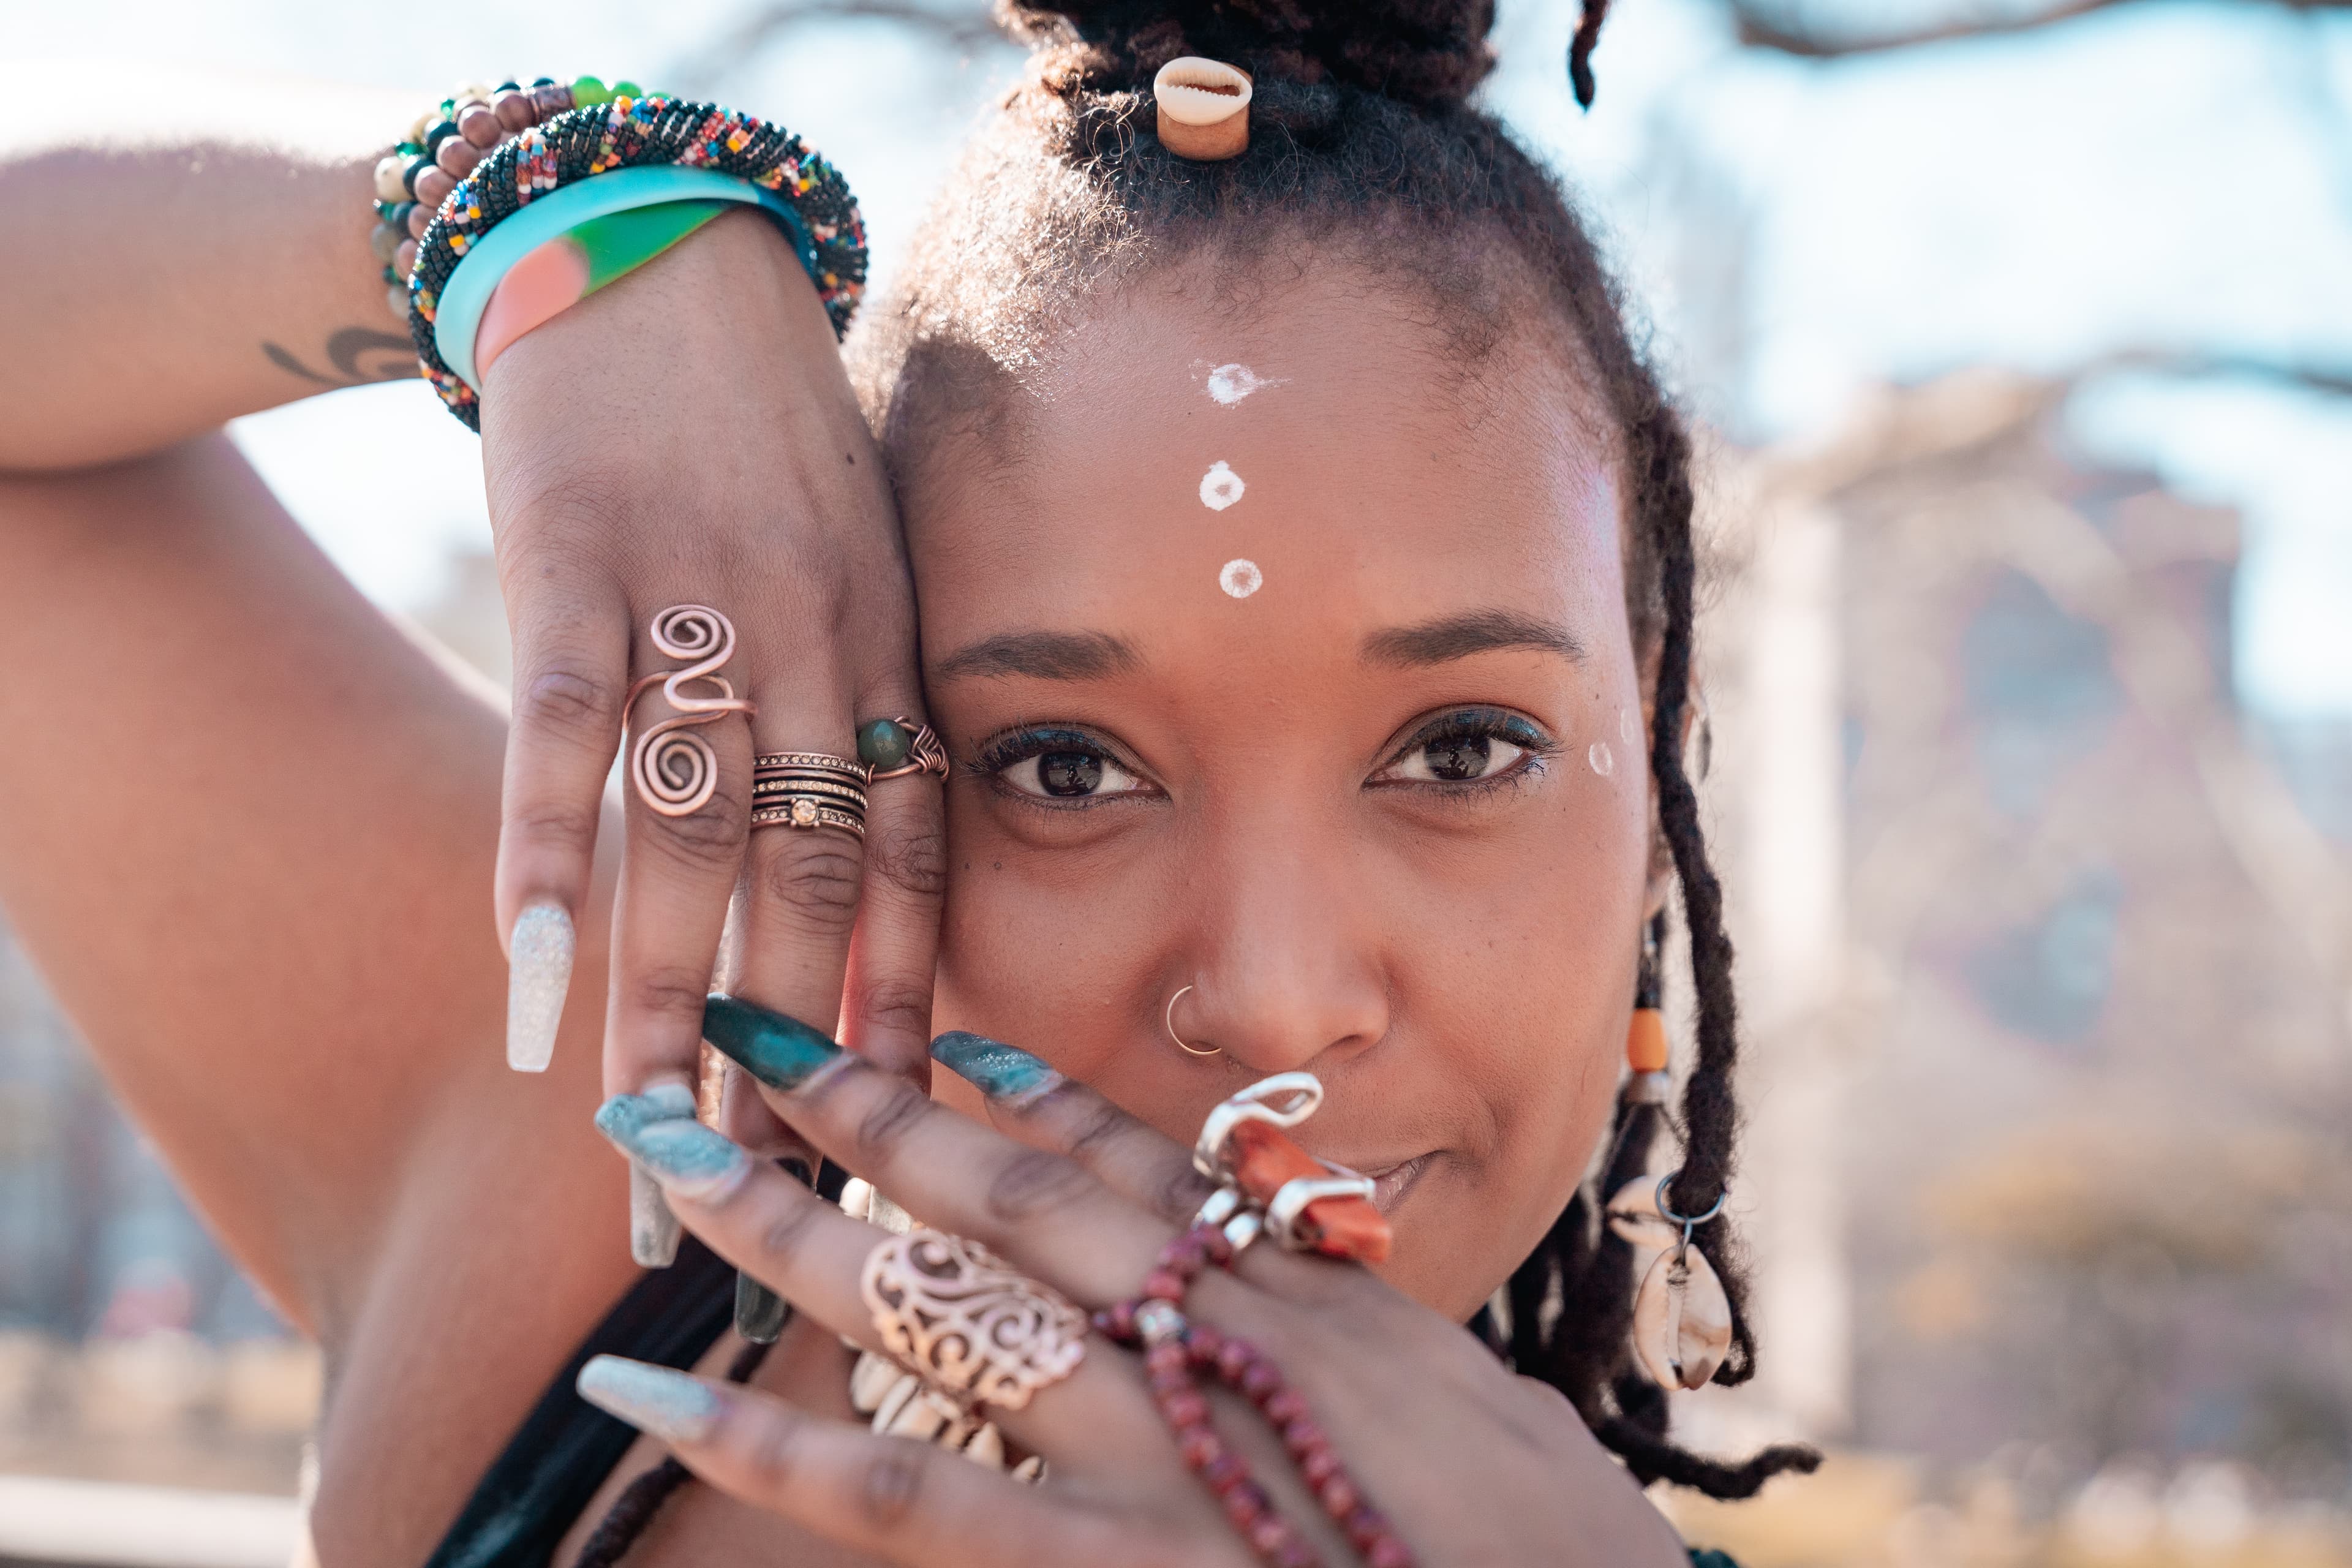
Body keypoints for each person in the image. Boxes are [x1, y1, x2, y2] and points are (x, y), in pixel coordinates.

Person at [0, 2, 1817, 1564]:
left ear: (1647, 749)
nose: (1271, 993)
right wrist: (546, 222)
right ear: (847, 748)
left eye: (1463, 750)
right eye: (1064, 766)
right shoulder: (601, 1165)